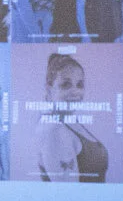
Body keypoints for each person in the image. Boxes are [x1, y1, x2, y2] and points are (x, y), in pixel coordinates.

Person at [34, 52, 109, 182]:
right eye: (66, 84)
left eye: (79, 85)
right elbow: (68, 196)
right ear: (49, 88)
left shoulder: (68, 119)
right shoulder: (54, 129)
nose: (75, 92)